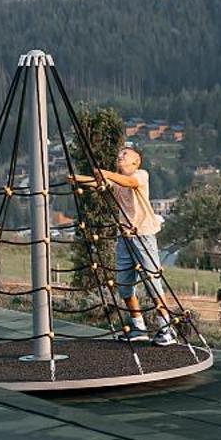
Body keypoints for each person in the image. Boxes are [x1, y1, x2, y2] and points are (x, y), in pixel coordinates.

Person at [73, 146, 176, 346]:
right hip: (125, 237)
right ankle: (138, 327)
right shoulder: (115, 180)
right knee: (124, 284)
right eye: (119, 154)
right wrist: (77, 178)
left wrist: (104, 173)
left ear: (135, 162)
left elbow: (129, 182)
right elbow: (98, 183)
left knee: (152, 280)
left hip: (143, 235)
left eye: (125, 155)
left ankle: (167, 328)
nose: (120, 156)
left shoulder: (140, 175)